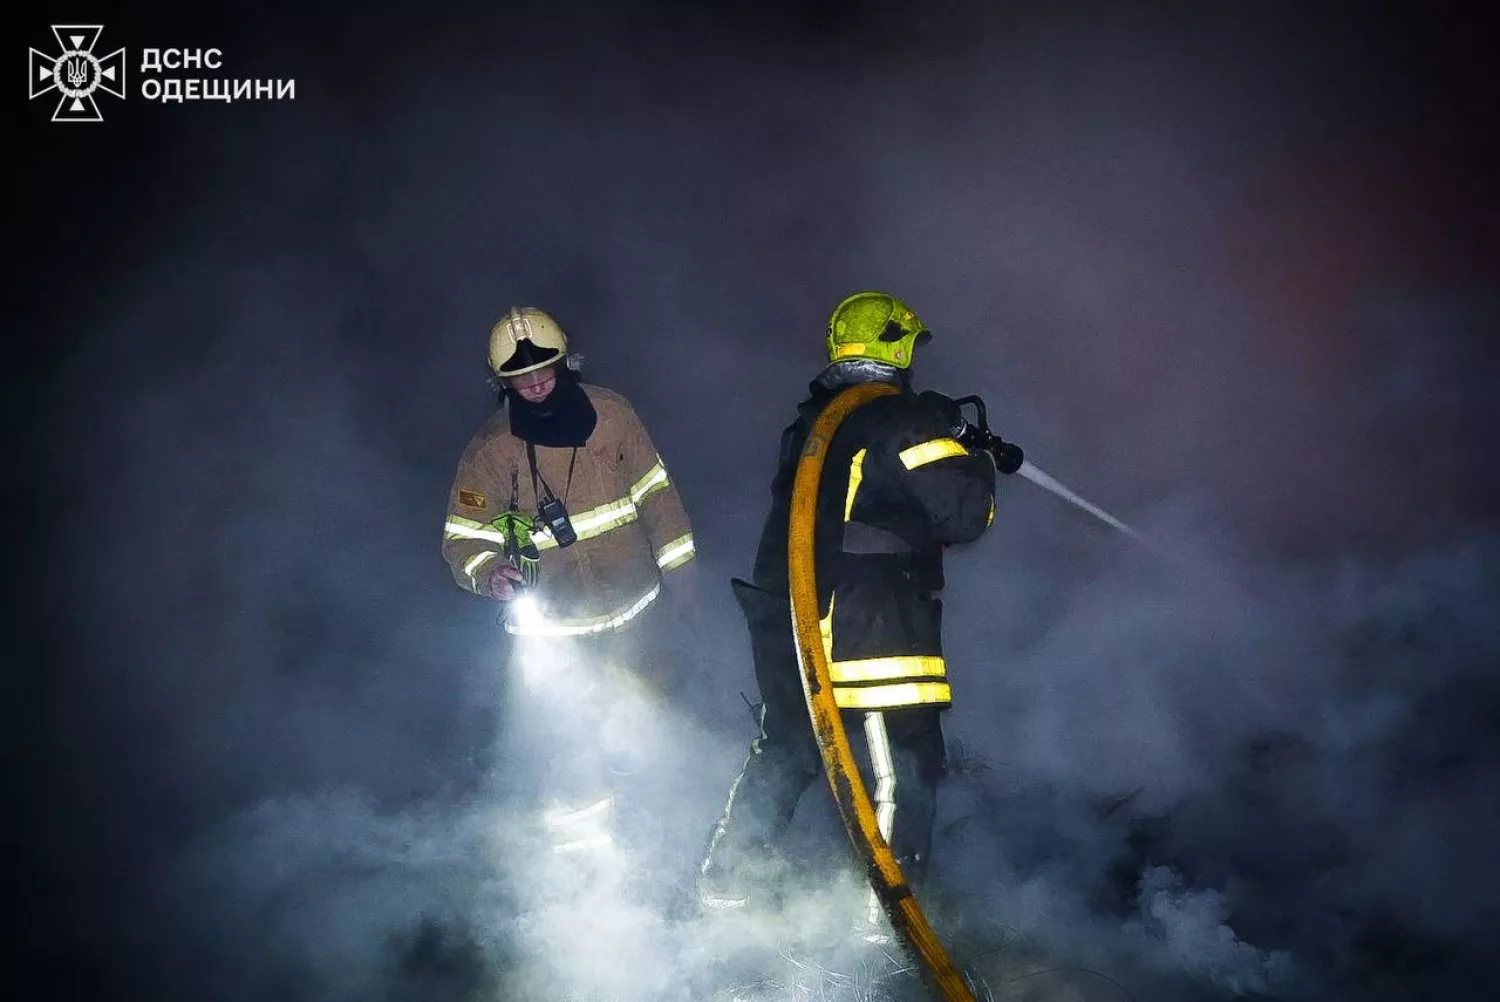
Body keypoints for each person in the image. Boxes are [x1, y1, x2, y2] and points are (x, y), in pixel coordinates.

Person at [696, 291, 1000, 939]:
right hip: (868, 621)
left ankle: (726, 888)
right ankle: (891, 929)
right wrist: (972, 457)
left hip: (785, 616)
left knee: (786, 749)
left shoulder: (814, 423)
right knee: (904, 764)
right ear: (898, 348)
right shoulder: (902, 423)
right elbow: (963, 512)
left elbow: (848, 499)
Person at [441, 306, 697, 869]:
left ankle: (663, 855)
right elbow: (461, 540)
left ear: (566, 365)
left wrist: (686, 588)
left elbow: (659, 498)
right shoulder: (491, 450)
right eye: (520, 380)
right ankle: (583, 877)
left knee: (647, 739)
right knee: (571, 756)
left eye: (544, 373)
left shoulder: (612, 415)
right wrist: (490, 572)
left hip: (638, 618)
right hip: (558, 636)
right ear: (501, 383)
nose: (534, 386)